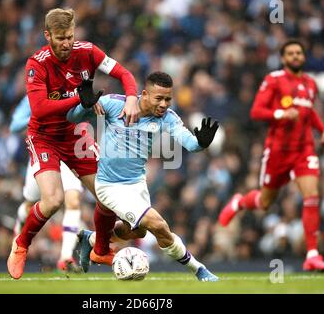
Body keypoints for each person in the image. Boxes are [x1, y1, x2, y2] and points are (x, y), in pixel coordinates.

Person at [7, 7, 140, 279]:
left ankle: (100, 249)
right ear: (48, 36)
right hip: (44, 137)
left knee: (108, 197)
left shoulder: (88, 51)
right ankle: (21, 244)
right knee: (54, 200)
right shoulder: (37, 64)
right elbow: (41, 109)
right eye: (60, 38)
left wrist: (131, 97)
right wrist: (80, 100)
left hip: (75, 135)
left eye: (69, 36)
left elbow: (125, 74)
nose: (66, 43)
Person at [67, 71, 220, 282]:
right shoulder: (114, 103)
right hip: (109, 185)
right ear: (145, 94)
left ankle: (90, 239)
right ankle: (199, 269)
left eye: (168, 99)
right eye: (159, 98)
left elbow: (191, 144)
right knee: (158, 226)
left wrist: (201, 143)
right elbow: (71, 117)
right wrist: (83, 105)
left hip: (137, 184)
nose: (164, 104)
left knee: (137, 232)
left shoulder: (168, 118)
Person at [218, 40, 324, 272]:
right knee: (265, 202)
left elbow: (309, 113)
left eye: (299, 52)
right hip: (278, 152)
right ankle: (239, 202)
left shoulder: (310, 83)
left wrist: (323, 131)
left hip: (304, 150)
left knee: (312, 195)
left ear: (303, 56)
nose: (296, 56)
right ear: (283, 58)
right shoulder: (274, 80)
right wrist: (281, 113)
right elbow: (256, 111)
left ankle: (312, 254)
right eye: (290, 53)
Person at [9, 95, 84, 272]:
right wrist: (47, 114)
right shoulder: (34, 94)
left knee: (73, 201)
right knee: (31, 204)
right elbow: (14, 125)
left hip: (69, 150)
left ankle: (65, 257)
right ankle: (20, 225)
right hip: (43, 151)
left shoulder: (73, 87)